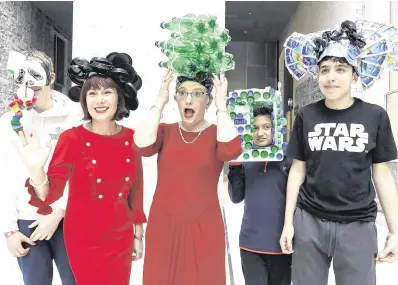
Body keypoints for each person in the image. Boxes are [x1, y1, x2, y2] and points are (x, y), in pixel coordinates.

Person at [279, 20, 398, 285]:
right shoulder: (306, 115)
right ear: (317, 75)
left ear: (355, 75)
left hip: (358, 225)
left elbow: (382, 175)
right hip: (309, 221)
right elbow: (297, 171)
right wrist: (289, 223)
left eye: (340, 69)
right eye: (324, 70)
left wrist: (395, 230)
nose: (331, 77)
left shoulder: (375, 115)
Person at [13, 53, 147, 285]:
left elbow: (136, 193)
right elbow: (48, 194)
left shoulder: (132, 139)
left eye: (107, 92)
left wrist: (138, 235)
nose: (99, 100)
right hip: (83, 237)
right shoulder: (72, 139)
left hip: (120, 237)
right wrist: (36, 170)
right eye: (92, 93)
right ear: (85, 100)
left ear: (119, 97)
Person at [133, 69, 242, 285]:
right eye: (182, 93)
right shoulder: (166, 131)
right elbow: (141, 145)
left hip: (204, 226)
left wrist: (222, 107)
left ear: (208, 101)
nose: (188, 99)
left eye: (197, 94)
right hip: (164, 225)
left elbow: (231, 151)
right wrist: (160, 101)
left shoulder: (216, 134)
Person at [0, 49, 81, 285]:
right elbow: (4, 175)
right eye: (21, 75)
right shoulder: (8, 123)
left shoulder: (76, 117)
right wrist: (8, 230)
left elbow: (82, 171)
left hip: (70, 217)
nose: (29, 82)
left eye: (34, 74)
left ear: (52, 77)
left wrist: (59, 212)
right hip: (27, 220)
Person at [228, 106, 292, 285]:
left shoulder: (288, 160)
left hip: (282, 245)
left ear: (275, 128)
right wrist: (234, 166)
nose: (260, 133)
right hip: (250, 244)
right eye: (255, 128)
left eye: (266, 127)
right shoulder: (246, 159)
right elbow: (236, 197)